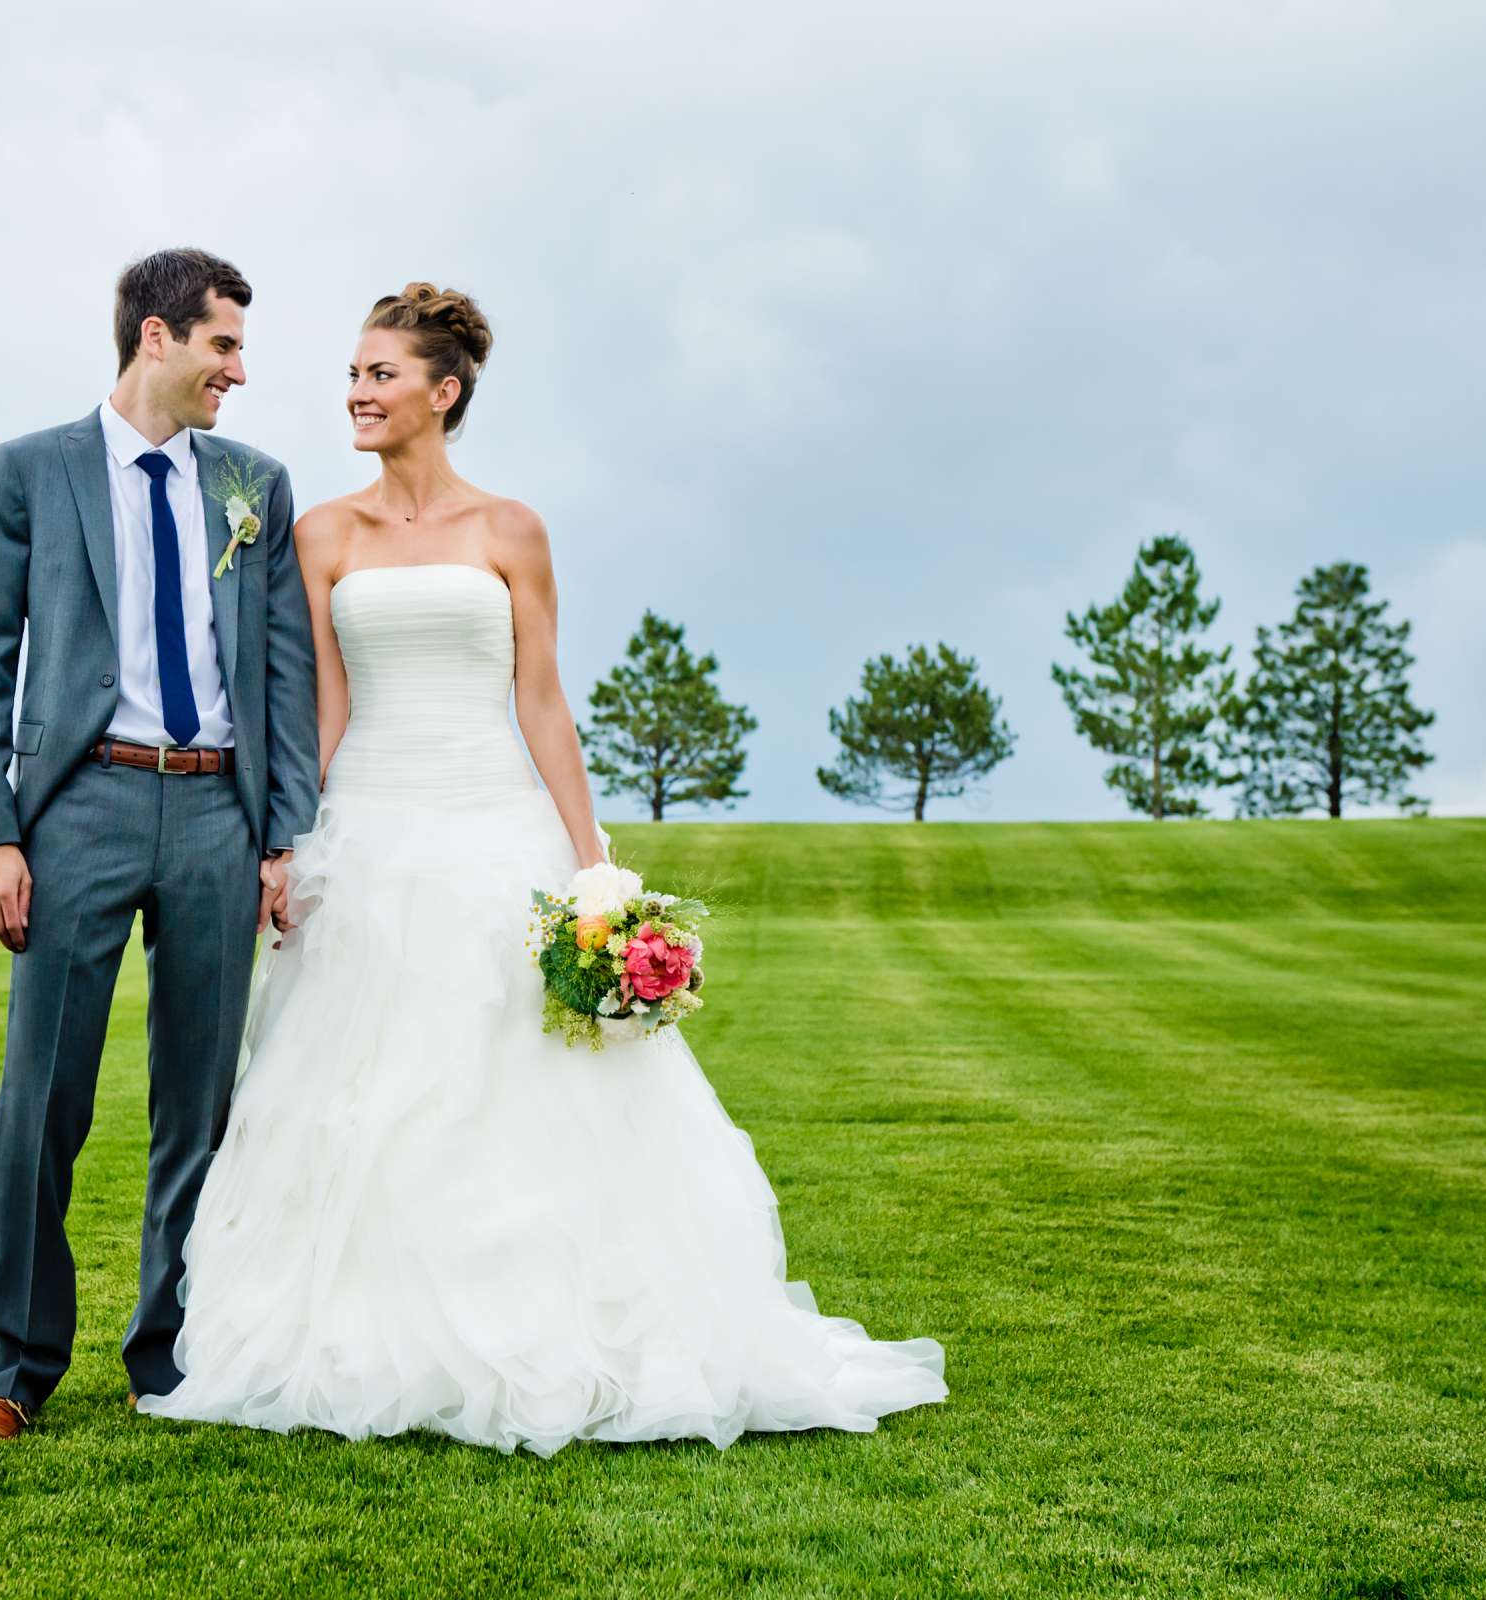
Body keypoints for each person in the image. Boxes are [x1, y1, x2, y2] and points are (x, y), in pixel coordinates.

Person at [137, 283, 948, 1455]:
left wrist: (593, 865)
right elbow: (325, 701)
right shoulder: (321, 533)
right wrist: (288, 840)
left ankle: (560, 1331)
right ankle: (359, 1335)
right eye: (353, 376)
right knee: (357, 1087)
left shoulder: (511, 529)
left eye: (380, 376)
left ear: (443, 391)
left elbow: (544, 703)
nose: (356, 394)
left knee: (520, 1085)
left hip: (494, 826)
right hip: (366, 830)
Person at [0, 248, 319, 1444]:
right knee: (41, 1099)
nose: (240, 372)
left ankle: (172, 1356)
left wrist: (280, 837)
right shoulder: (30, 472)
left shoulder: (256, 483)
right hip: (80, 810)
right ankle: (11, 1370)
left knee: (198, 1106)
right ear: (156, 337)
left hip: (218, 813)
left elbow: (282, 674)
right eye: (224, 344)